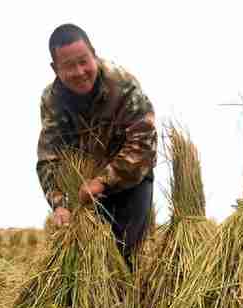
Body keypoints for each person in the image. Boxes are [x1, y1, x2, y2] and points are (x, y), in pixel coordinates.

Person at [37, 23, 157, 267]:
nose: (80, 71)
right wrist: (59, 204)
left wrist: (103, 181)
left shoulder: (123, 85)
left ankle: (130, 302)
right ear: (55, 69)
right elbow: (49, 157)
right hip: (83, 190)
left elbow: (144, 143)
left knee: (125, 252)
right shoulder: (52, 100)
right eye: (69, 66)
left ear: (94, 53)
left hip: (129, 179)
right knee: (86, 259)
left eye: (84, 61)